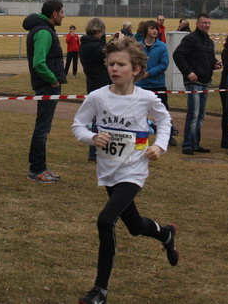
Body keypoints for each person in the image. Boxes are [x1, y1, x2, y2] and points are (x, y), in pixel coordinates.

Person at [71, 38, 178, 304]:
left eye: (121, 64)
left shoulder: (146, 98)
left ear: (136, 70)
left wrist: (159, 145)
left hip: (134, 170)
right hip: (108, 170)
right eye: (111, 64)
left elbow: (165, 120)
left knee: (106, 220)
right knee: (134, 225)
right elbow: (78, 125)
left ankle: (100, 289)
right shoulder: (97, 97)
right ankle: (166, 234)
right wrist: (92, 137)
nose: (114, 69)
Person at [23, 0, 67, 184]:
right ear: (54, 14)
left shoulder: (44, 29)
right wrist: (53, 80)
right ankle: (36, 169)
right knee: (42, 128)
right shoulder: (43, 32)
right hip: (47, 86)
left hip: (48, 85)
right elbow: (39, 63)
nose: (64, 16)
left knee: (44, 128)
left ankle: (41, 167)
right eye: (62, 12)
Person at [172, 12, 222, 155]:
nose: (206, 25)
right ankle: (187, 145)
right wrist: (188, 72)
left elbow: (210, 59)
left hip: (205, 82)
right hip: (193, 82)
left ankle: (195, 143)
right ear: (197, 24)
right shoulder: (190, 39)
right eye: (204, 23)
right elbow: (178, 55)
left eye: (208, 23)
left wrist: (215, 64)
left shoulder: (209, 41)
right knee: (193, 114)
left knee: (200, 115)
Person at [135, 20, 176, 146]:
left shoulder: (162, 46)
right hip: (141, 85)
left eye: (156, 29)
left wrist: (149, 73)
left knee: (163, 112)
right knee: (139, 113)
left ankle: (167, 136)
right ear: (146, 30)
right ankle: (140, 138)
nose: (154, 31)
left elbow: (164, 64)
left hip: (158, 84)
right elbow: (134, 61)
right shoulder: (138, 46)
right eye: (152, 28)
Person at [80, 17, 113, 162]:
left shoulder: (86, 44)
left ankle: (96, 151)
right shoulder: (94, 47)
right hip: (100, 85)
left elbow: (102, 49)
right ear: (99, 30)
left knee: (98, 119)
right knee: (101, 120)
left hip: (93, 84)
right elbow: (107, 54)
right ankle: (95, 152)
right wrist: (115, 42)